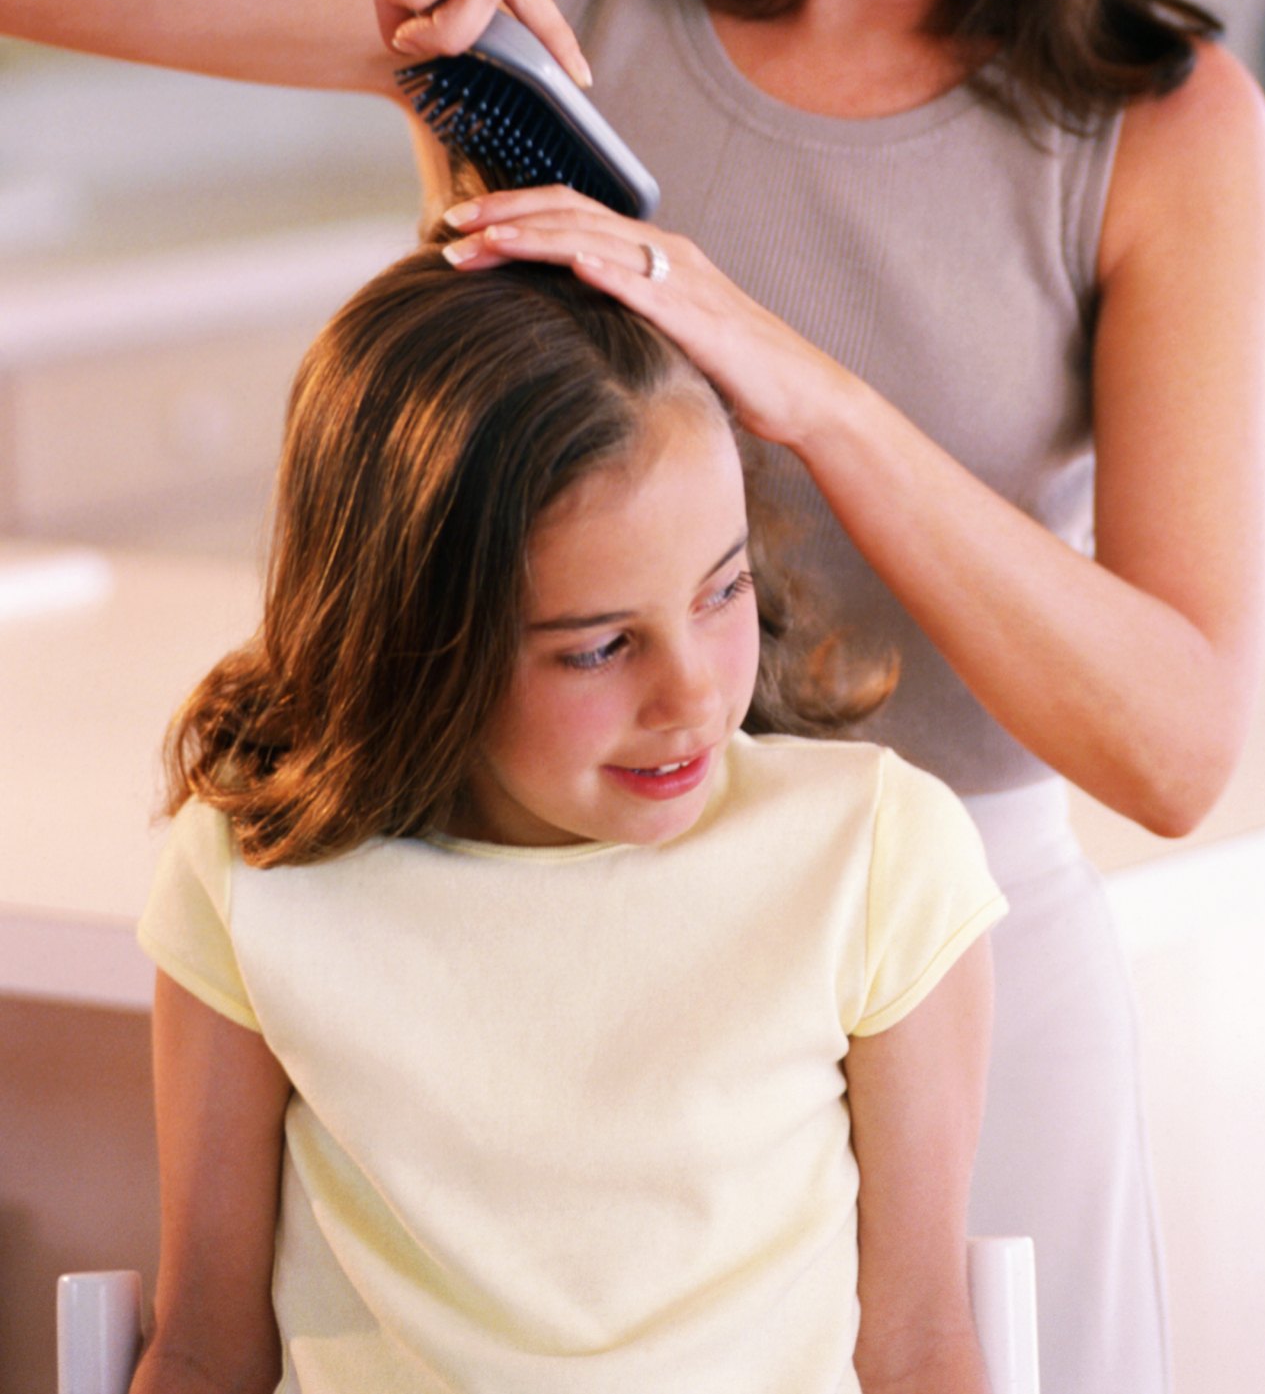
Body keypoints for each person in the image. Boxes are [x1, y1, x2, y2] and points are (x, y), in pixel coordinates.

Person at [1, 0, 1265, 1392]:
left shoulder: (1166, 129)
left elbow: (1173, 743)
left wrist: (802, 387)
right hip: (525, 991)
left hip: (939, 966)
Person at [131, 250, 1004, 1394]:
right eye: (599, 645)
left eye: (723, 589)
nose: (691, 693)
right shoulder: (252, 883)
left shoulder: (875, 858)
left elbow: (918, 1345)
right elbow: (204, 1346)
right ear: (416, 642)